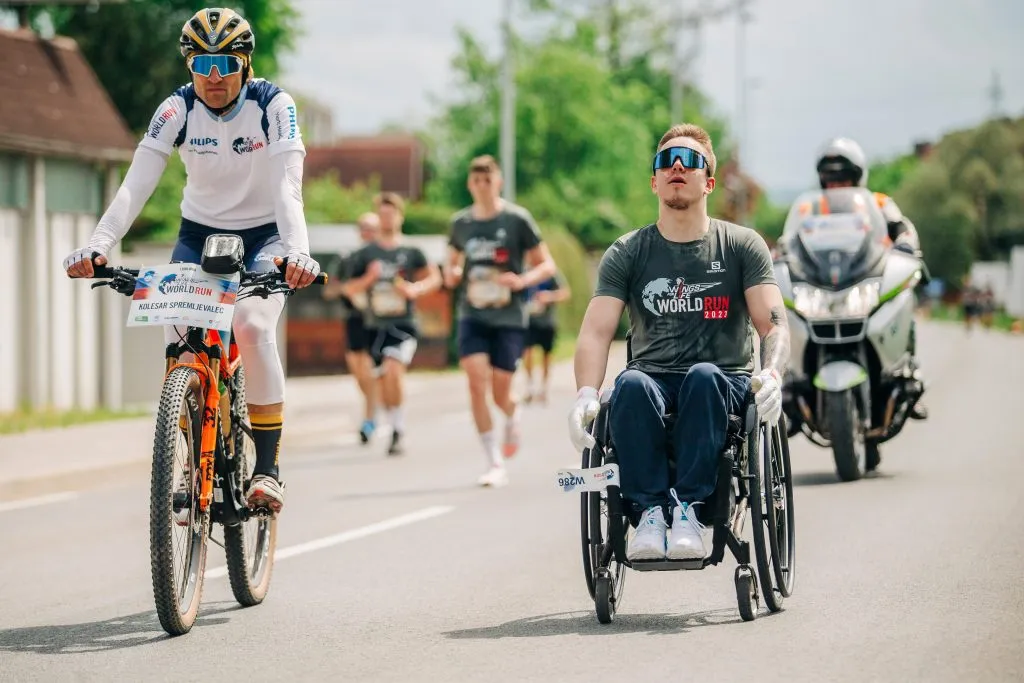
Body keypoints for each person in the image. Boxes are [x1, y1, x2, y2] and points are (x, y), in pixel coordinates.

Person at [63, 8, 320, 514]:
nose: (214, 75)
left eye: (226, 62)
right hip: (199, 235)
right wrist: (100, 244)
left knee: (249, 325)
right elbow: (136, 183)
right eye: (202, 63)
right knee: (179, 333)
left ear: (245, 63)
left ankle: (266, 470)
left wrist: (298, 252)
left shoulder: (274, 104)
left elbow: (289, 186)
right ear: (189, 66)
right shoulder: (176, 109)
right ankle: (187, 455)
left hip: (267, 235)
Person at [568, 123, 790, 561]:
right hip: (652, 379)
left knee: (703, 377)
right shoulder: (628, 251)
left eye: (689, 161)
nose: (676, 166)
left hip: (721, 380)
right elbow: (596, 331)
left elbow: (774, 322)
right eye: (665, 161)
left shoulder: (741, 245)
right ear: (654, 181)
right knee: (627, 385)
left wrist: (772, 373)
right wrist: (585, 396)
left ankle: (688, 510)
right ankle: (650, 513)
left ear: (708, 181)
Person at [444, 155, 557, 487]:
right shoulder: (461, 223)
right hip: (473, 312)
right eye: (476, 179)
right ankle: (494, 461)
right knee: (475, 380)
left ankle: (512, 412)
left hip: (509, 316)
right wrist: (451, 273)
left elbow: (546, 265)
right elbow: (450, 265)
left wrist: (522, 281)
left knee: (499, 392)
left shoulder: (517, 219)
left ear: (498, 182)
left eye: (487, 179)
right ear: (469, 184)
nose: (481, 185)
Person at [815, 137, 928, 421]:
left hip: (870, 280)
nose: (837, 185)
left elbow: (903, 228)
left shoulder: (879, 202)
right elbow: (791, 240)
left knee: (902, 302)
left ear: (857, 177)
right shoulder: (813, 209)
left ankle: (908, 371)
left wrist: (905, 243)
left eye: (843, 178)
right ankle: (795, 384)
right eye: (831, 179)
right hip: (825, 285)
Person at [343, 192, 442, 456]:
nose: (387, 218)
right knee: (384, 378)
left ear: (400, 216)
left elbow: (435, 277)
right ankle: (388, 420)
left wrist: (414, 289)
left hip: (403, 324)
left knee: (393, 367)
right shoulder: (365, 254)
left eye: (391, 213)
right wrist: (368, 279)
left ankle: (397, 430)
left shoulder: (411, 251)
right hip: (374, 326)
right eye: (382, 214)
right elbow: (348, 288)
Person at [323, 212, 381, 444]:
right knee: (358, 372)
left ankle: (369, 418)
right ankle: (373, 406)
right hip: (354, 319)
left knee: (368, 370)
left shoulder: (384, 258)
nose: (368, 232)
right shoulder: (347, 258)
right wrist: (350, 287)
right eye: (364, 227)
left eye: (373, 228)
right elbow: (330, 289)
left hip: (377, 322)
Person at [522, 271, 571, 405]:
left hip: (547, 322)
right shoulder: (524, 269)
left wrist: (549, 296)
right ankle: (529, 387)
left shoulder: (551, 273)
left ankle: (544, 389)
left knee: (546, 356)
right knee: (526, 353)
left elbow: (565, 293)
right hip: (528, 321)